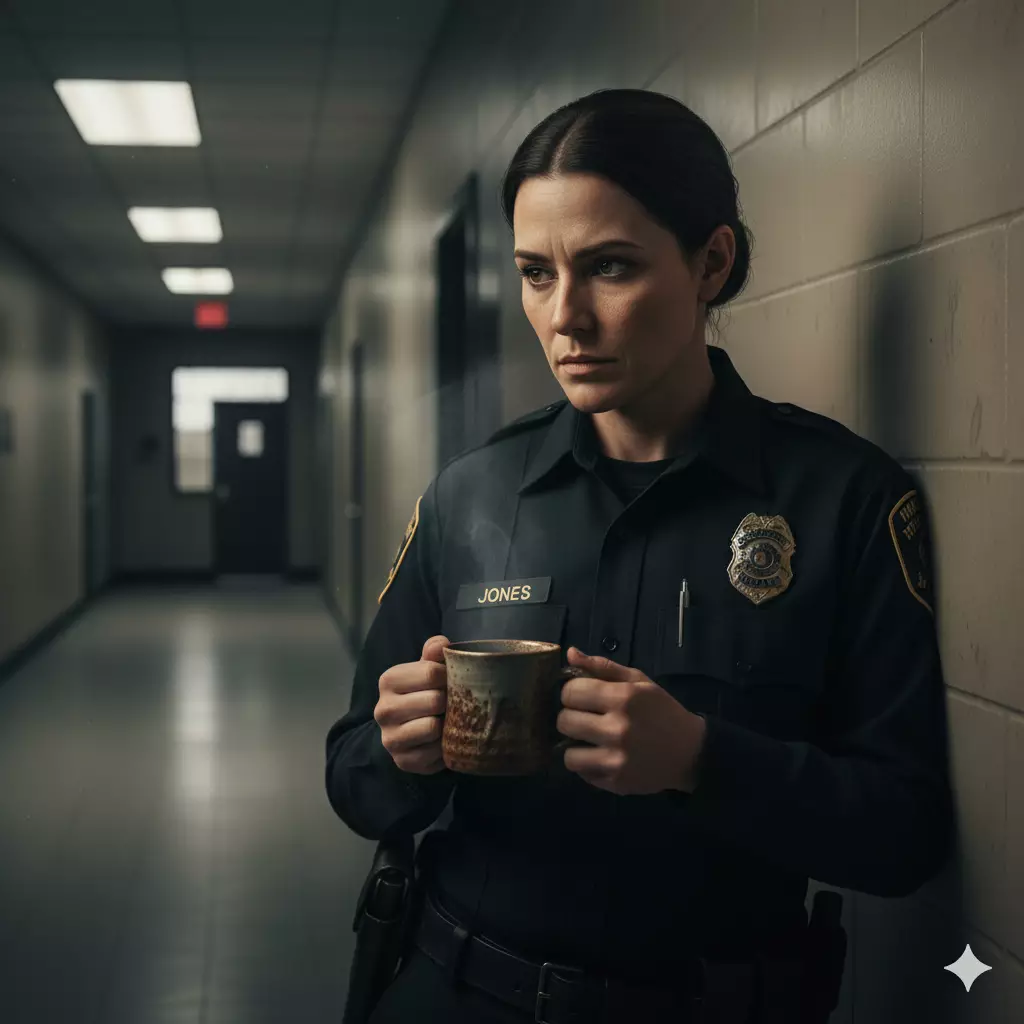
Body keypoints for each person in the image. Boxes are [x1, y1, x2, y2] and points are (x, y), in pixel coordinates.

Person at [325, 88, 954, 1023]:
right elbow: (354, 779)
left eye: (609, 267)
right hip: (456, 989)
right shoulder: (471, 499)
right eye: (537, 274)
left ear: (712, 261)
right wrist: (399, 751)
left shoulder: (843, 503)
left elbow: (903, 835)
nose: (564, 318)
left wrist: (703, 758)